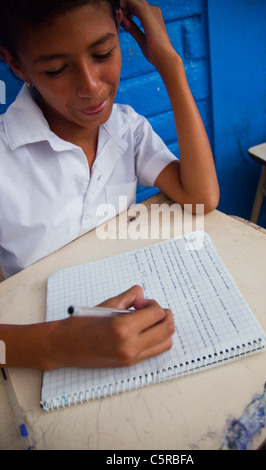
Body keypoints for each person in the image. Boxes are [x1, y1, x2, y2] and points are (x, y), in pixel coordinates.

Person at [0, 0, 219, 370]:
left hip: (131, 332)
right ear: (17, 65)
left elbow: (202, 197)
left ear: (120, 28)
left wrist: (170, 64)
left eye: (103, 53)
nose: (91, 87)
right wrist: (57, 345)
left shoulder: (126, 130)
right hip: (34, 363)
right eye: (56, 70)